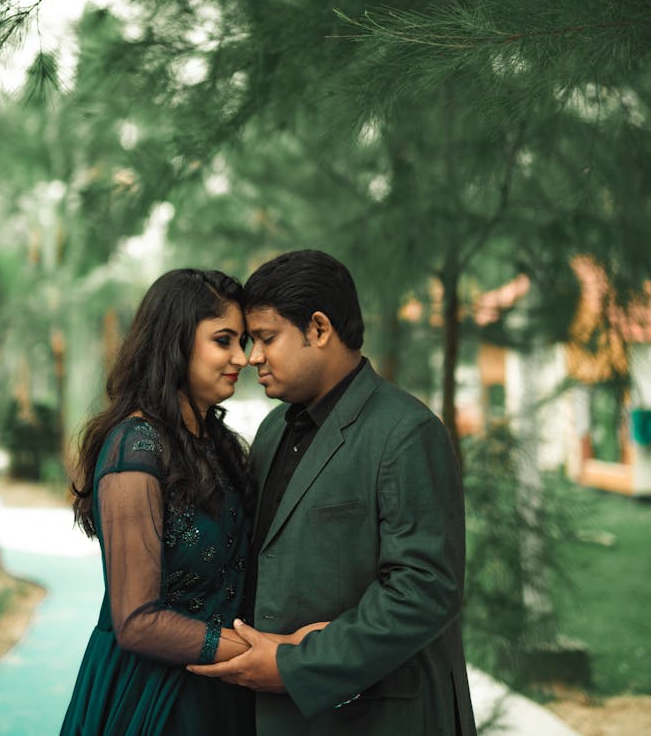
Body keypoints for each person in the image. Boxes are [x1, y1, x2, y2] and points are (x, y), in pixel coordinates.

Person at [190, 249, 477, 735]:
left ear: (319, 329)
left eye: (265, 338)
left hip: (380, 716)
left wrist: (295, 665)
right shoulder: (274, 428)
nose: (252, 356)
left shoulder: (405, 432)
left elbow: (425, 590)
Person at [60, 268, 257, 736]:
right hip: (152, 698)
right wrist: (268, 654)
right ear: (176, 341)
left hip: (222, 689)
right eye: (223, 340)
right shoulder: (136, 445)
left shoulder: (219, 445)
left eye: (243, 341)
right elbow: (137, 622)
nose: (241, 358)